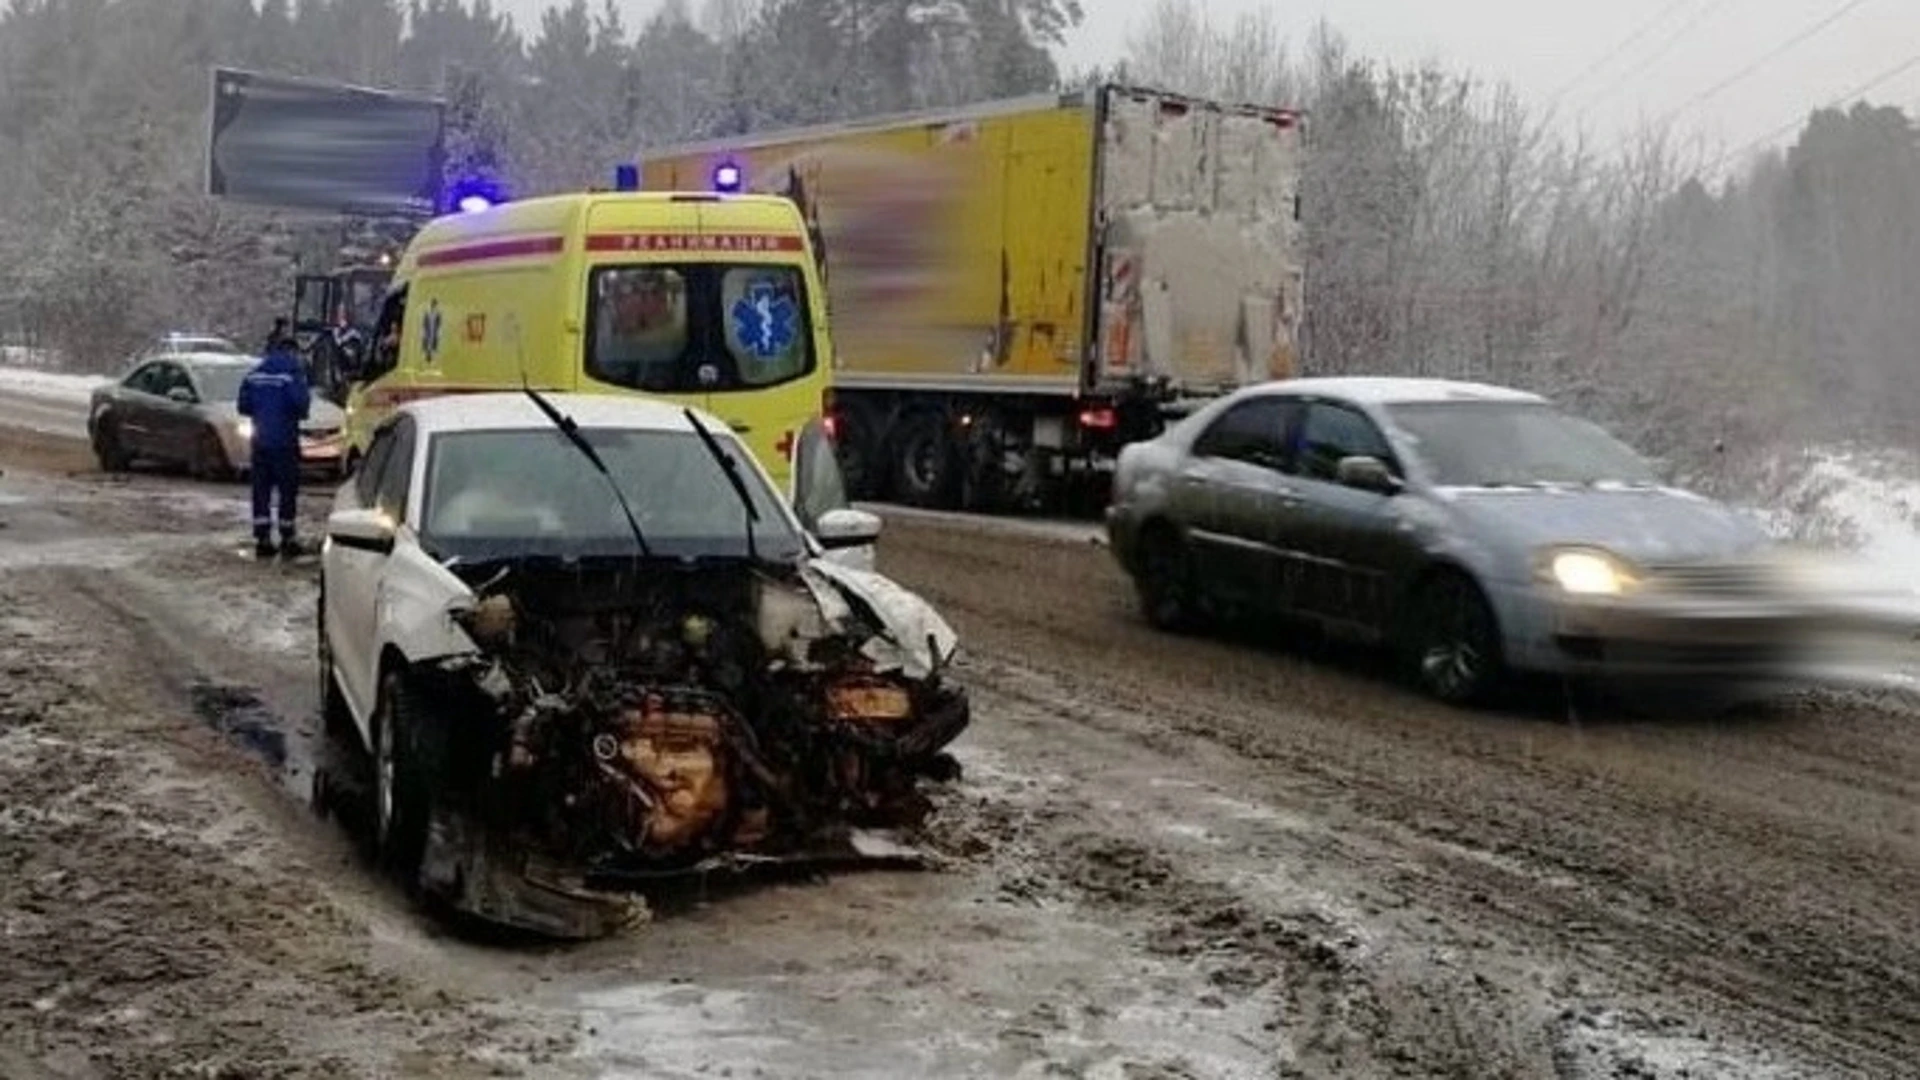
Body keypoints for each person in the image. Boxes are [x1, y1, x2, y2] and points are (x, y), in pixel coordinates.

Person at [237, 332, 312, 559]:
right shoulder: (292, 373)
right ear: (292, 352)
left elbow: (243, 406)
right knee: (287, 489)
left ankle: (263, 538)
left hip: (260, 442)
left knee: (261, 489)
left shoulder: (254, 374)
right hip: (285, 442)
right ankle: (287, 537)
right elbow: (301, 404)